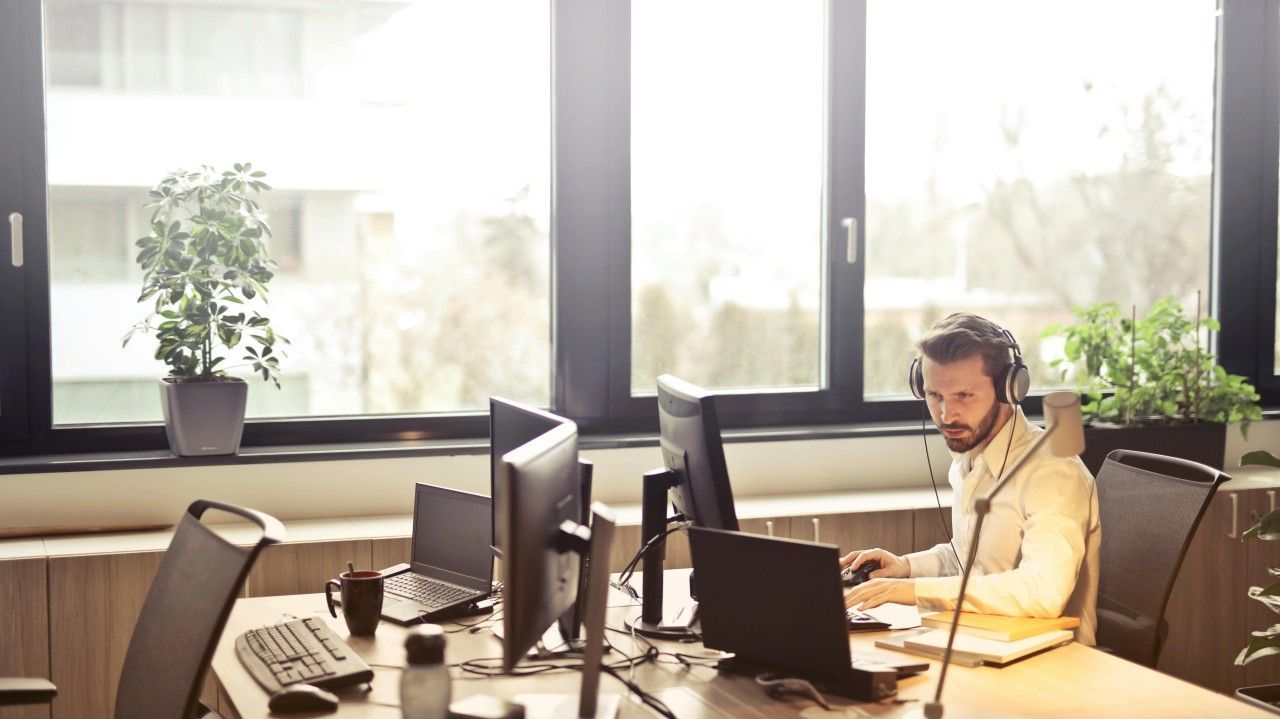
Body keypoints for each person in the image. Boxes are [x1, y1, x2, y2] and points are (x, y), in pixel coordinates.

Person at [842, 312, 1101, 645]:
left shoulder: (1053, 472)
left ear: (1009, 389)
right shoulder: (969, 458)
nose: (947, 416)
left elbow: (1043, 592)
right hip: (980, 639)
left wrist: (914, 590)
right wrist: (905, 567)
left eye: (963, 396)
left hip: (1049, 660)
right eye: (935, 396)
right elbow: (970, 561)